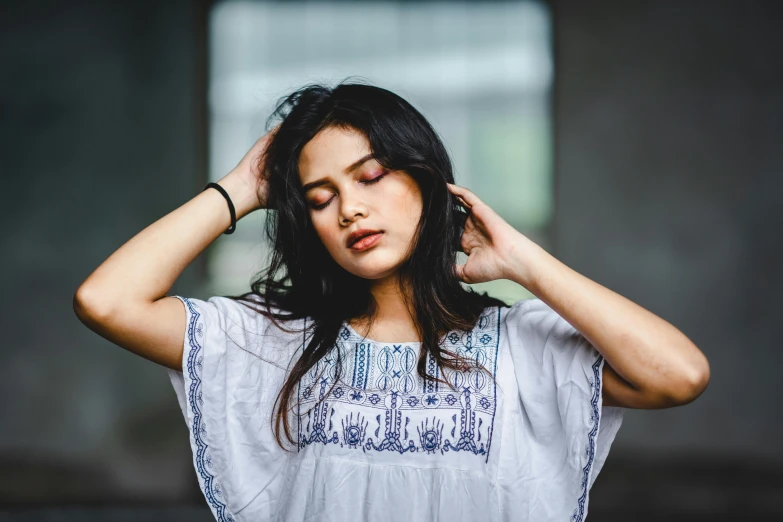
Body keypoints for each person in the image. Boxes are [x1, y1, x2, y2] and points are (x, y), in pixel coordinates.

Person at [73, 81, 710, 522]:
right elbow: (106, 301)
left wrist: (524, 262)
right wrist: (241, 188)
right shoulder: (273, 340)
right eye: (319, 198)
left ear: (426, 180)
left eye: (371, 176)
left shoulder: (524, 346)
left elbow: (679, 375)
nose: (349, 208)